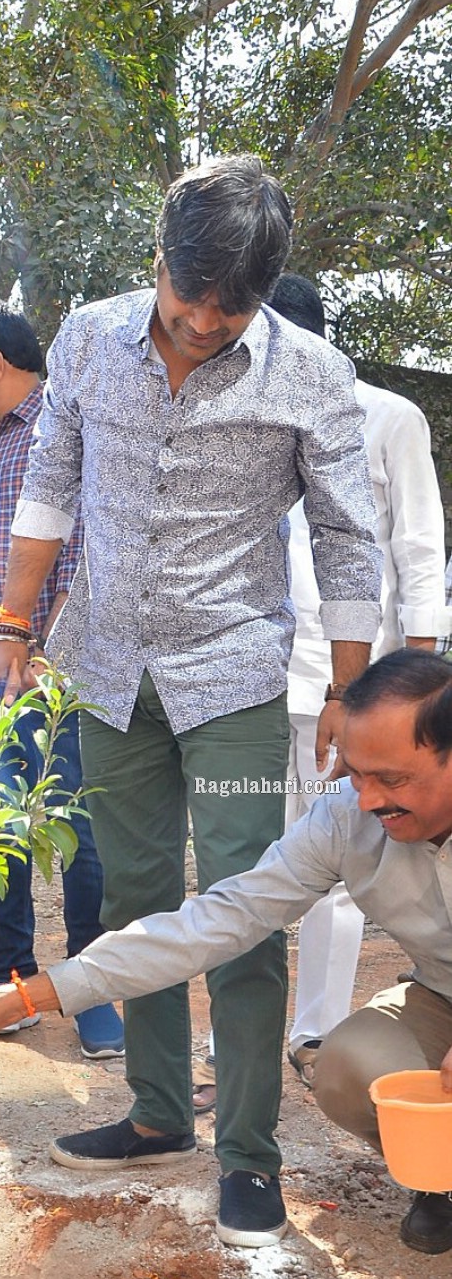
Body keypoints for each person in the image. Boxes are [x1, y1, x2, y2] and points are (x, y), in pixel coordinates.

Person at [0, 155, 381, 1247]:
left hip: (233, 674)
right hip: (104, 669)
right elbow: (48, 477)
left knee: (244, 910)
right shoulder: (86, 338)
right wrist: (12, 626)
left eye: (227, 305)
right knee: (131, 901)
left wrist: (347, 686)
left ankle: (248, 1151)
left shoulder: (310, 376)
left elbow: (347, 535)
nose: (201, 321)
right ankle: (156, 1111)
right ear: (155, 258)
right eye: (185, 293)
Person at [0, 649, 452, 1255]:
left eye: (393, 779)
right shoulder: (342, 824)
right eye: (357, 775)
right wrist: (24, 995)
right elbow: (214, 922)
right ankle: (439, 1177)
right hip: (439, 994)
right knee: (349, 1063)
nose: (366, 800)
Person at [271, 274, 447, 1077]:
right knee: (269, 860)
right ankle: (247, 1027)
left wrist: (421, 678)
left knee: (344, 866)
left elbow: (416, 547)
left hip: (361, 690)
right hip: (267, 681)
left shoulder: (389, 416)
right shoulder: (255, 423)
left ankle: (313, 1029)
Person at [0, 302, 123, 1057]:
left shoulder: (65, 433)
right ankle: (8, 981)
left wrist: (49, 654)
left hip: (52, 676)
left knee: (80, 835)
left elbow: (84, 552)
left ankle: (90, 990)